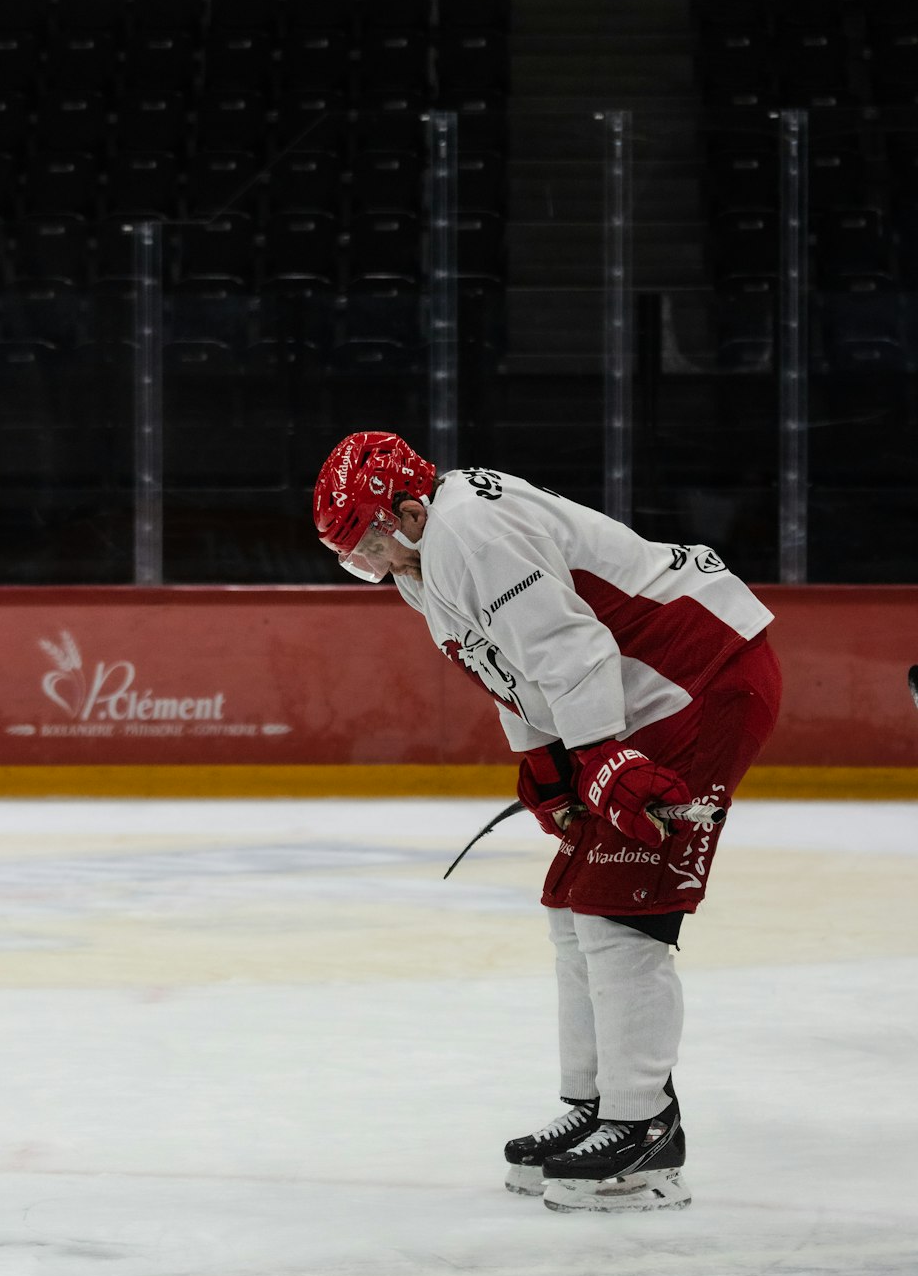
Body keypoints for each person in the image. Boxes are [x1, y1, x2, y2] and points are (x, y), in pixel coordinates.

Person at [313, 431, 782, 1213]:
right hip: (642, 695)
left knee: (621, 906)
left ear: (408, 507)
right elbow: (512, 668)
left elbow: (573, 647)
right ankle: (598, 1105)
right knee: (573, 901)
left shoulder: (471, 531)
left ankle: (646, 1126)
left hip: (699, 677)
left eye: (368, 537)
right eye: (351, 550)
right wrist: (546, 762)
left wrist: (597, 754)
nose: (367, 559)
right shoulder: (424, 558)